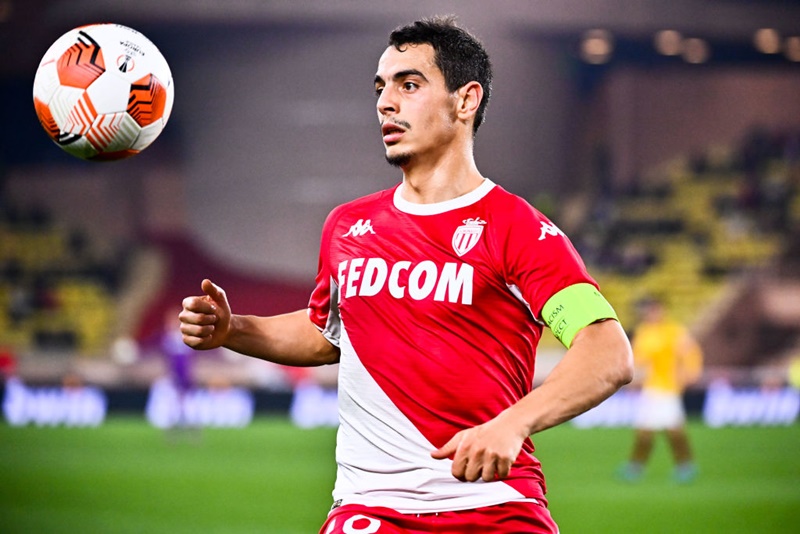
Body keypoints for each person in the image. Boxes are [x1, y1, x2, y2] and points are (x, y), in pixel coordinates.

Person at [180, 16, 633, 533]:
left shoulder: (518, 228)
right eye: (381, 88)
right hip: (368, 508)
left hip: (495, 505)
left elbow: (608, 352)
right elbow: (328, 334)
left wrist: (513, 423)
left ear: (466, 101)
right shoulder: (347, 226)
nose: (385, 103)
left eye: (409, 85)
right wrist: (233, 329)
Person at [617, 296, 703, 484]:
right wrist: (632, 378)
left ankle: (685, 465)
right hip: (651, 388)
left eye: (655, 310)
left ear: (662, 311)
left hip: (668, 388)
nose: (652, 314)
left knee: (673, 431)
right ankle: (636, 466)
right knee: (645, 430)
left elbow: (691, 352)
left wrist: (691, 373)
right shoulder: (644, 331)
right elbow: (638, 359)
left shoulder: (673, 331)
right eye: (649, 311)